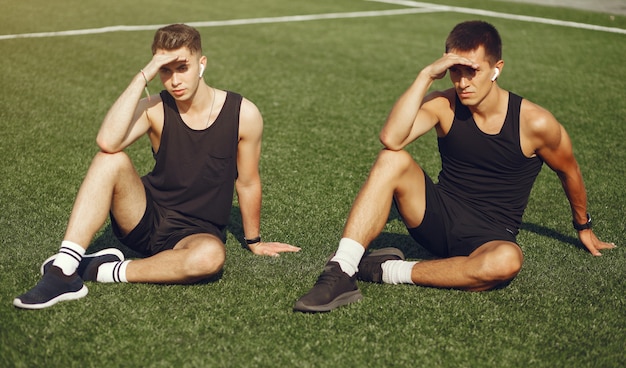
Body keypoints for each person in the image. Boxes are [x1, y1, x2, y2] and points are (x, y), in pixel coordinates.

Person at [293, 20, 616, 313]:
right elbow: (391, 138)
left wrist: (583, 226)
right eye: (454, 71)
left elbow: (569, 171)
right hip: (437, 217)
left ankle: (383, 270)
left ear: (496, 68)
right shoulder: (444, 103)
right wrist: (426, 76)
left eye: (471, 70)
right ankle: (340, 271)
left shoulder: (535, 123)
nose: (462, 82)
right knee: (391, 158)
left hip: (490, 234)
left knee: (507, 261)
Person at [14, 24, 300, 310]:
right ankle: (63, 268)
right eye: (166, 70)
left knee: (210, 258)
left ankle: (100, 270)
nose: (174, 80)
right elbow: (107, 141)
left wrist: (254, 241)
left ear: (202, 64)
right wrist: (144, 75)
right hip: (145, 215)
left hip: (196, 231)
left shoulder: (243, 114)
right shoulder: (156, 108)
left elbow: (247, 181)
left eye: (182, 67)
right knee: (109, 158)